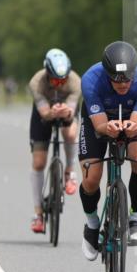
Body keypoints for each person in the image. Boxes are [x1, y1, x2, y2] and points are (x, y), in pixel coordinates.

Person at [78, 41, 137, 260]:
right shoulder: (91, 79)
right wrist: (108, 128)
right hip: (98, 119)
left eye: (127, 79)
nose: (122, 84)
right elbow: (99, 125)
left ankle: (135, 218)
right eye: (116, 79)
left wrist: (133, 128)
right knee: (91, 177)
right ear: (106, 74)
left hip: (131, 116)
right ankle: (92, 225)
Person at [28, 48, 82, 234]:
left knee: (70, 134)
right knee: (39, 162)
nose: (59, 84)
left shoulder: (75, 81)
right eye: (55, 80)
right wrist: (51, 113)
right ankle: (38, 214)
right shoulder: (36, 82)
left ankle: (69, 171)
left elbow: (71, 111)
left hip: (66, 111)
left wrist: (66, 112)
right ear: (47, 73)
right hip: (43, 114)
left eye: (63, 80)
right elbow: (44, 113)